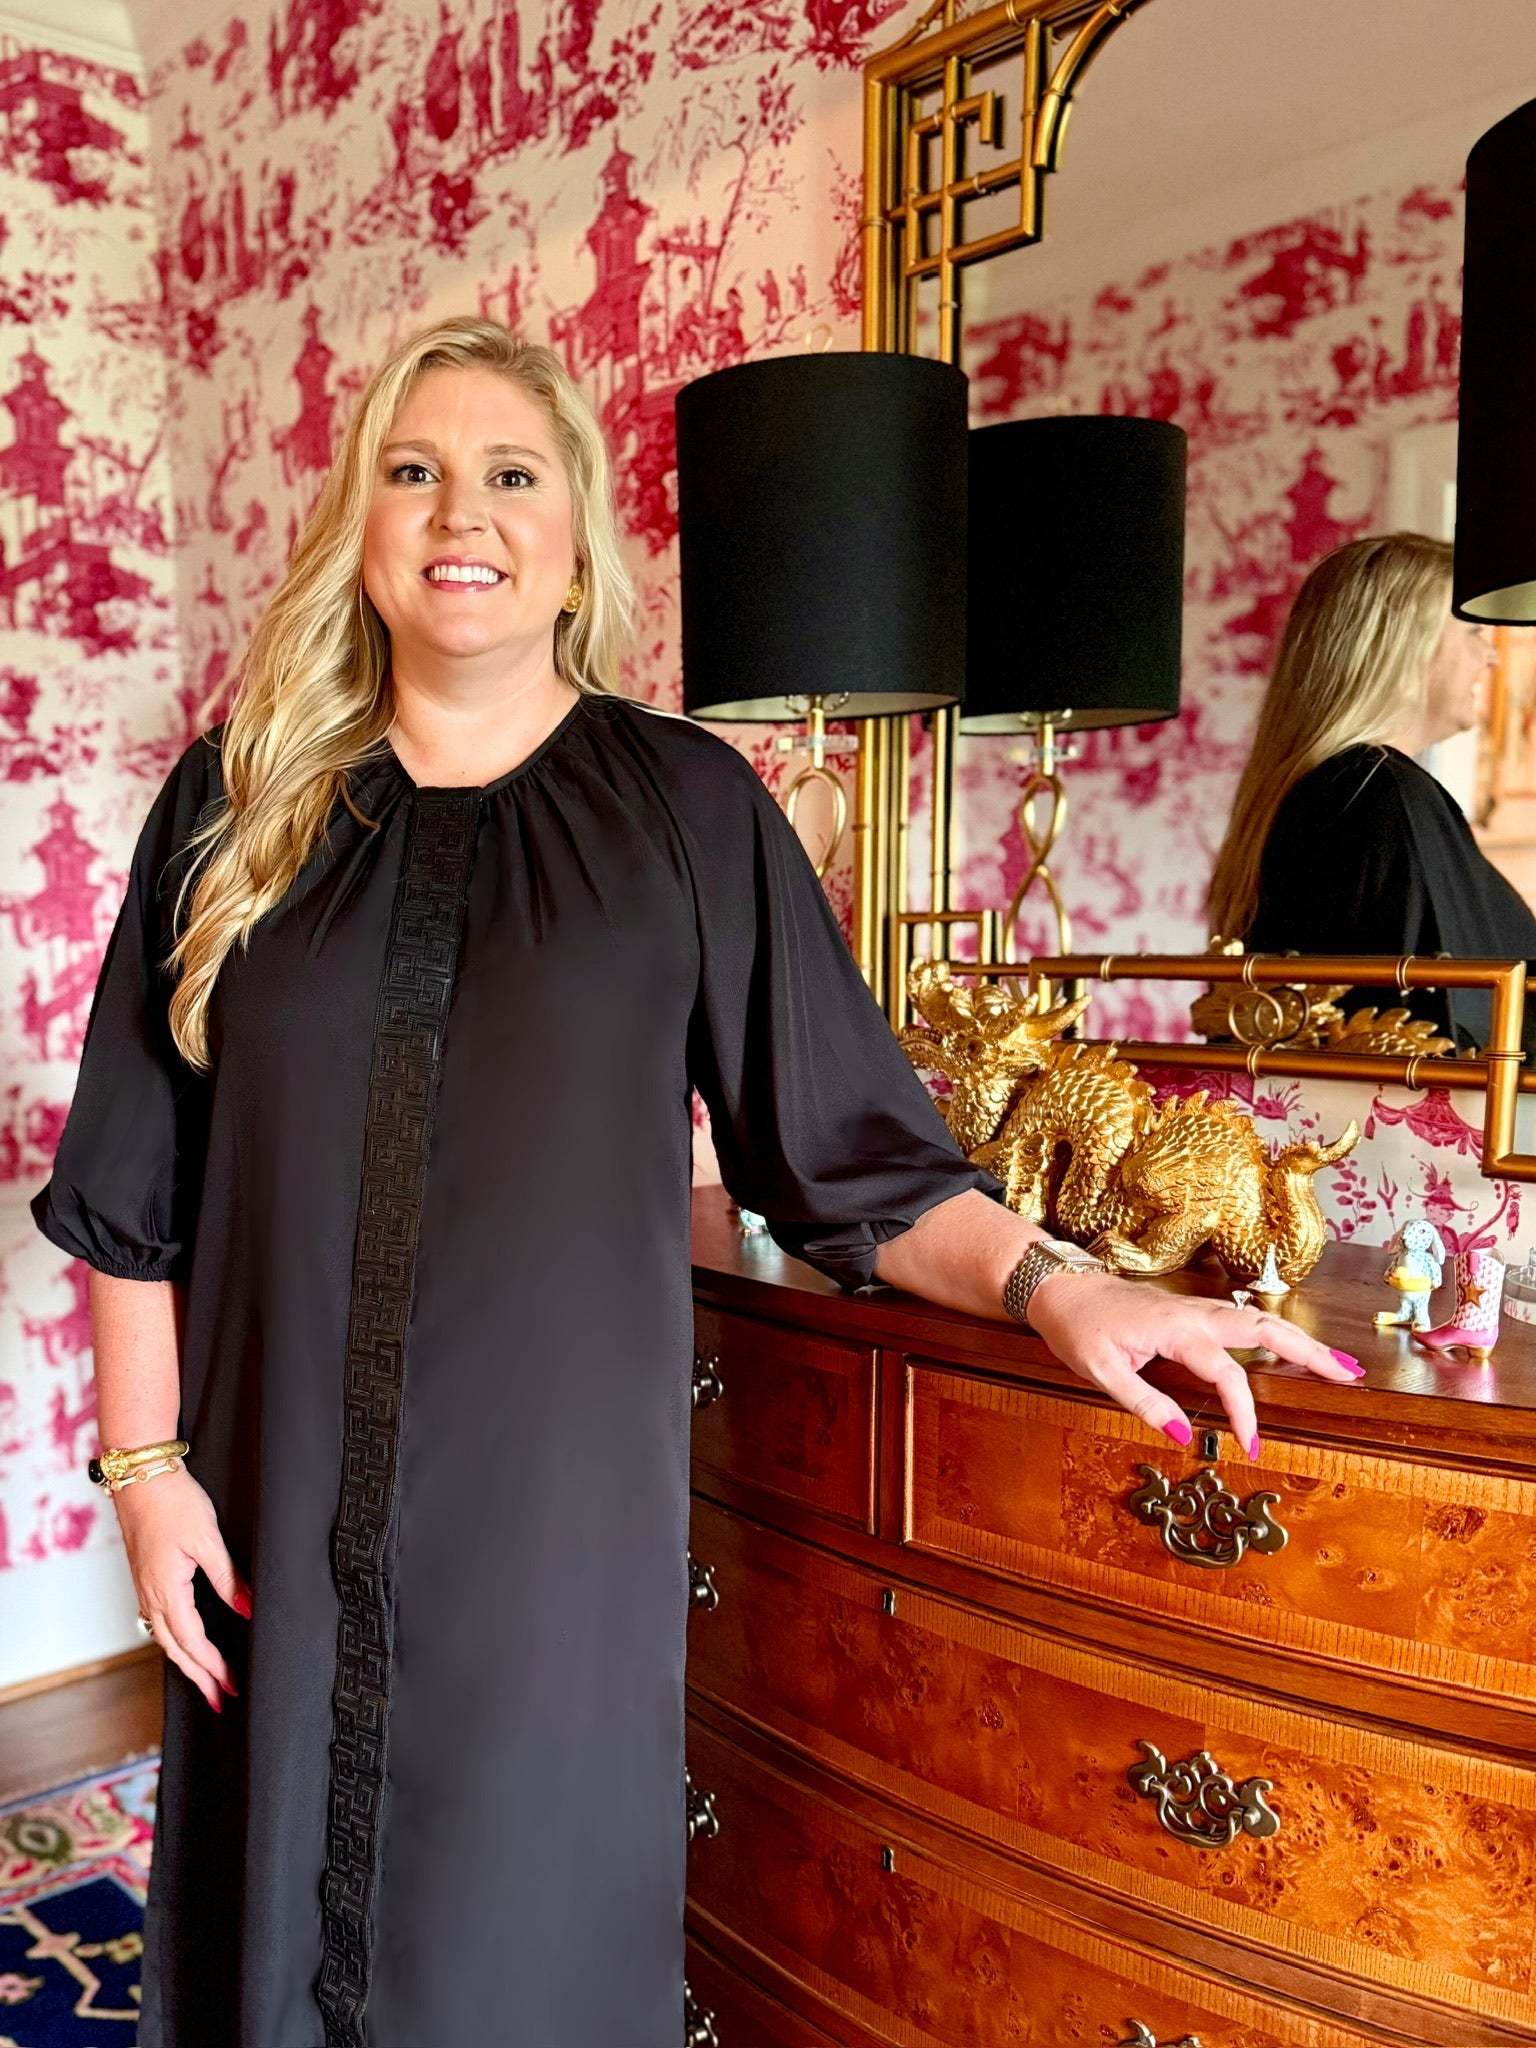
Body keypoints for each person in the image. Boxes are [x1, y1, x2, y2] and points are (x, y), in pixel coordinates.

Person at [31, 316, 1357, 2048]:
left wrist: (1065, 1283)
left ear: (577, 526)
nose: (463, 510)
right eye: (414, 468)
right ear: (359, 518)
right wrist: (146, 1476)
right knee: (271, 1936)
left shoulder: (687, 809)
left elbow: (855, 1160)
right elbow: (138, 1176)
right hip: (275, 1493)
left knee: (518, 1946)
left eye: (513, 472)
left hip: (551, 1540)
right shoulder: (234, 803)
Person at [1208, 530, 1536, 1050]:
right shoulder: (1378, 792)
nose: (1492, 658)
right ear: (1405, 643)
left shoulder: (1351, 789)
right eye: (1474, 634)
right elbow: (1427, 1026)